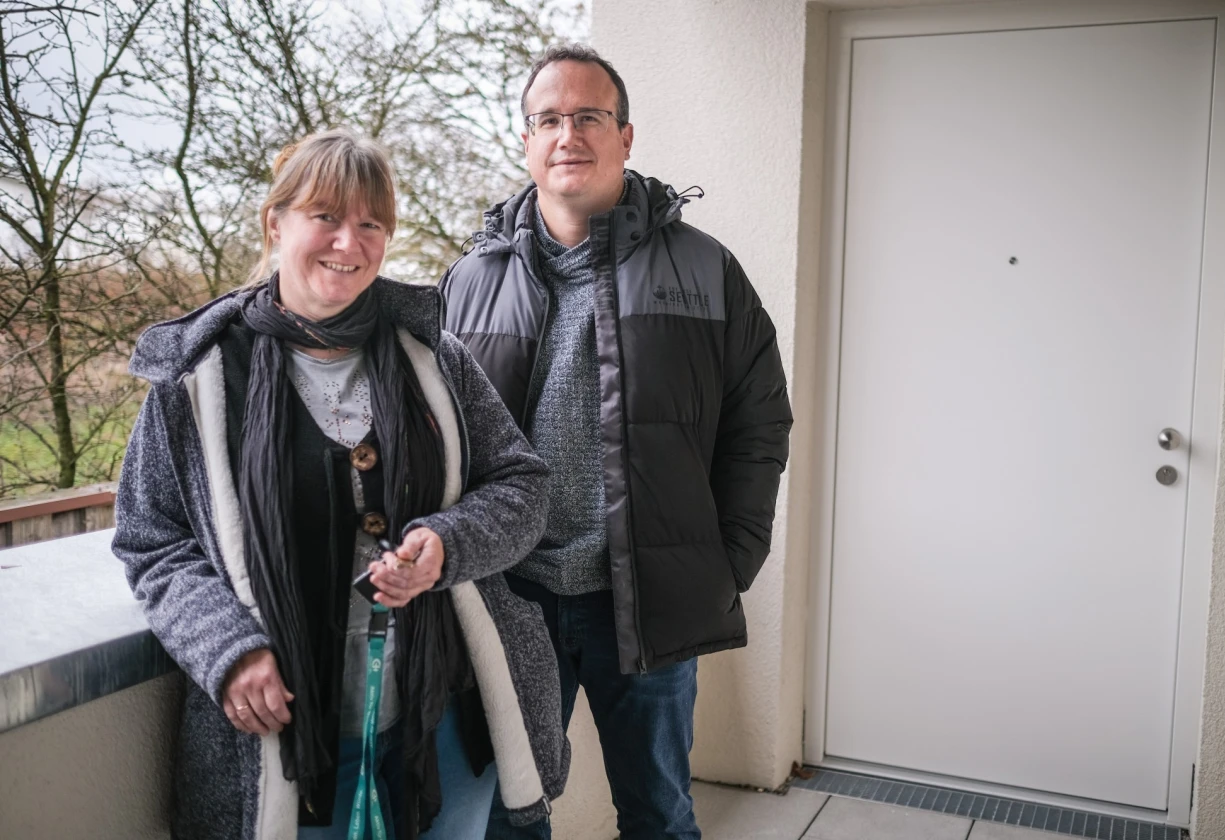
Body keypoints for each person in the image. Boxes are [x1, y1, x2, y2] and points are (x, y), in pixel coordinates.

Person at [112, 128, 568, 840]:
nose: (348, 244)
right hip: (291, 737)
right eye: (326, 216)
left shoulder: (434, 356)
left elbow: (522, 485)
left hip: (443, 717)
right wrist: (226, 649)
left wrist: (446, 545)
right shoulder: (197, 379)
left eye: (371, 224)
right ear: (276, 221)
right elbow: (152, 538)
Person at [440, 44, 792, 840]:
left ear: (625, 136)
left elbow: (760, 421)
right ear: (527, 141)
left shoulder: (705, 269)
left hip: (647, 600)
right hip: (510, 597)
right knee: (504, 813)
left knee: (660, 814)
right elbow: (434, 435)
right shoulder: (469, 279)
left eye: (589, 116)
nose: (569, 134)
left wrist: (727, 559)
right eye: (549, 119)